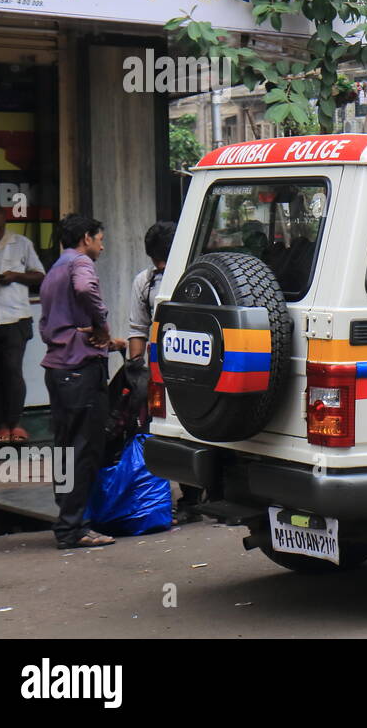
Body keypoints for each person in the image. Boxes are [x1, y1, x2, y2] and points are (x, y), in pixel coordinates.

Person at [40, 214, 126, 549]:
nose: (102, 245)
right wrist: (102, 325)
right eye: (100, 239)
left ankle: (68, 522)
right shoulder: (79, 264)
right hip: (79, 369)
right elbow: (85, 288)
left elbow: (48, 324)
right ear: (86, 238)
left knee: (64, 447)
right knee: (84, 449)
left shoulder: (54, 269)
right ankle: (74, 527)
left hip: (58, 368)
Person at [128, 221, 202, 523]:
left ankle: (198, 497)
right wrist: (135, 374)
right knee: (170, 432)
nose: (161, 268)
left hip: (198, 367)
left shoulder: (197, 278)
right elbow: (137, 328)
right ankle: (189, 499)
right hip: (162, 372)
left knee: (198, 429)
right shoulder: (144, 282)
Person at [0, 207, 45, 444]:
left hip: (16, 318)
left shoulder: (21, 244)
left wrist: (16, 276)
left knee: (12, 371)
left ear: (5, 224)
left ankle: (15, 422)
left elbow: (40, 275)